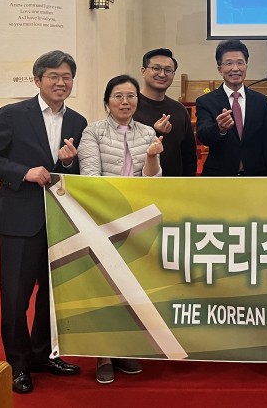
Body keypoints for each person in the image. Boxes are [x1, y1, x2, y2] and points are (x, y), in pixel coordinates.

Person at [0, 50, 86, 394]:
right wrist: (23, 172)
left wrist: (68, 164)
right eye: (53, 76)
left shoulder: (78, 122)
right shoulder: (12, 114)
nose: (61, 82)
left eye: (67, 76)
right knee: (16, 298)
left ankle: (43, 355)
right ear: (37, 80)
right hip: (19, 221)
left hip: (60, 221)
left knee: (53, 297)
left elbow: (74, 173)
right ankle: (18, 365)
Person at [78, 75, 163, 383]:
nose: (125, 102)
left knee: (131, 287)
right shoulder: (93, 131)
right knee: (104, 286)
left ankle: (124, 348)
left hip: (136, 220)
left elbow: (152, 179)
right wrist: (112, 210)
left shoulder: (147, 132)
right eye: (118, 96)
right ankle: (103, 354)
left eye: (131, 96)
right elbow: (90, 176)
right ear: (107, 101)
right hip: (102, 218)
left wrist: (151, 157)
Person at [195, 40, 267, 176]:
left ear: (246, 66)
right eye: (229, 63)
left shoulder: (262, 102)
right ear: (220, 69)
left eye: (240, 63)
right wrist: (220, 129)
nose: (235, 68)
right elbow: (203, 137)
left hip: (256, 176)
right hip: (220, 176)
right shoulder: (205, 102)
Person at [133, 48, 197, 176]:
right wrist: (154, 131)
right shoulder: (130, 107)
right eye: (156, 68)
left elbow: (189, 155)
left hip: (174, 184)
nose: (162, 75)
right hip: (138, 183)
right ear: (143, 71)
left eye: (168, 70)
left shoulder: (179, 110)